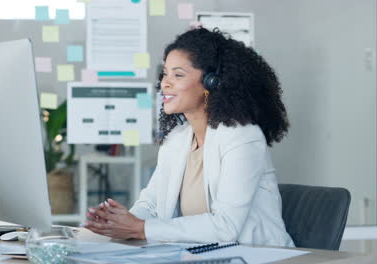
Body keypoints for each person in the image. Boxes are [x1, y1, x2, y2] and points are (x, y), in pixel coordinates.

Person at [83, 27, 294, 247]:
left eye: (178, 74)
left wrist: (139, 228)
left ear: (211, 83)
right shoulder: (177, 139)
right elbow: (152, 205)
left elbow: (226, 227)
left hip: (260, 256)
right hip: (203, 256)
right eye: (165, 73)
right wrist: (117, 223)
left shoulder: (243, 137)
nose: (165, 83)